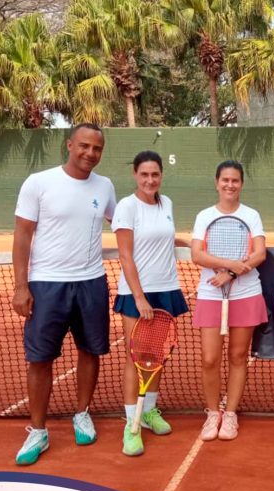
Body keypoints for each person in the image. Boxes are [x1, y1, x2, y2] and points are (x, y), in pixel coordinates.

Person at [12, 123, 117, 465]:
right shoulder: (38, 182)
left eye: (97, 148)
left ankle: (82, 413)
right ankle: (38, 430)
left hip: (91, 282)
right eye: (84, 145)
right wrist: (21, 286)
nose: (90, 153)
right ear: (69, 144)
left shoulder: (105, 186)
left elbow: (123, 224)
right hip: (46, 285)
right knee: (40, 359)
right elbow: (22, 235)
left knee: (90, 351)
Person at [112, 151, 189, 457]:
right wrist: (140, 297)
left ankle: (149, 412)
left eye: (155, 174)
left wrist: (188, 243)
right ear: (135, 175)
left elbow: (162, 238)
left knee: (157, 356)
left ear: (161, 175)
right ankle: (131, 425)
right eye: (144, 174)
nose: (150, 180)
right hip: (137, 294)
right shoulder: (126, 207)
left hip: (166, 288)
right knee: (136, 358)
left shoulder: (166, 203)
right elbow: (125, 254)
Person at [190, 160, 267, 441]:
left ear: (241, 184)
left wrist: (231, 274)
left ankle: (230, 414)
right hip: (211, 293)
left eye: (235, 180)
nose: (230, 185)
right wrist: (228, 265)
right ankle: (213, 413)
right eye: (225, 180)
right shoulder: (204, 216)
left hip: (246, 293)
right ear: (216, 182)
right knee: (210, 358)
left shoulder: (251, 215)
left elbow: (259, 254)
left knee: (237, 356)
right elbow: (197, 255)